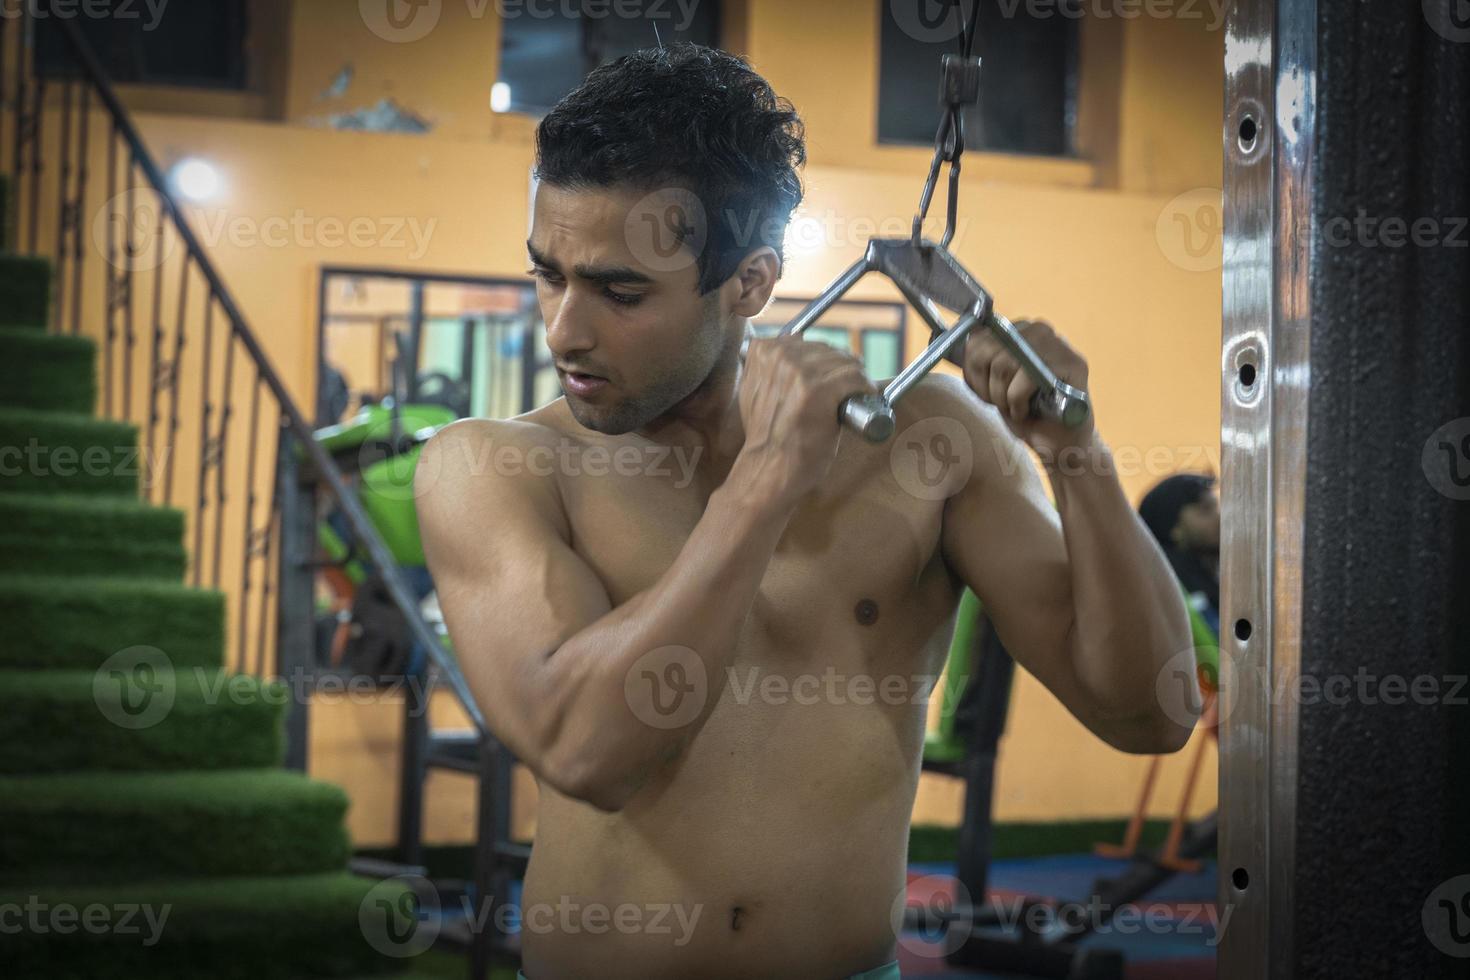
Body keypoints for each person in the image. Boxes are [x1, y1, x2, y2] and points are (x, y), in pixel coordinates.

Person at [415, 43, 1198, 980]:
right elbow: (587, 754)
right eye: (549, 273)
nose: (564, 329)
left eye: (621, 292)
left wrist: (1077, 455)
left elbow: (1150, 713)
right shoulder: (495, 468)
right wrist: (766, 481)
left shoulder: (927, 444)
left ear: (748, 283)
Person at [1138, 473, 1221, 637]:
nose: (1219, 517)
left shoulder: (1212, 573)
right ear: (1173, 528)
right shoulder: (1173, 588)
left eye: (1215, 507)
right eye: (1205, 510)